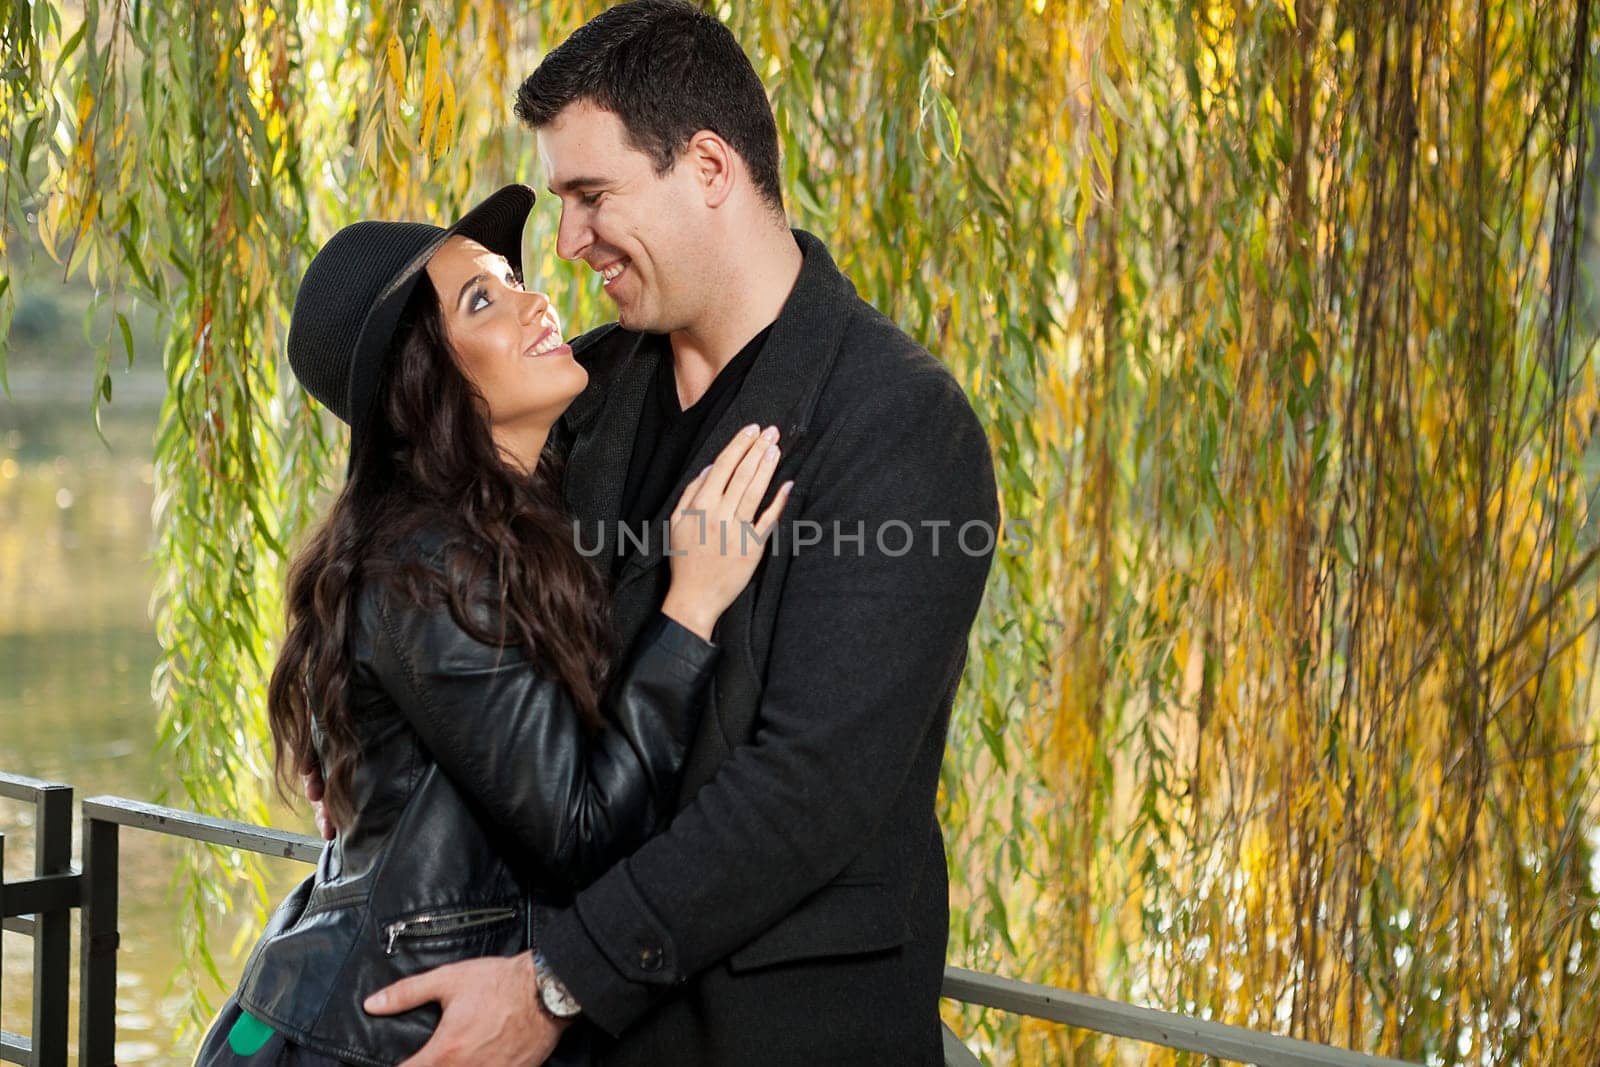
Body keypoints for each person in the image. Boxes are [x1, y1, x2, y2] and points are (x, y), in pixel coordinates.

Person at [362, 2, 1000, 1064]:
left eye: (591, 195)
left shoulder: (900, 424)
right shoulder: (580, 391)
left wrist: (557, 982)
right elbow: (470, 623)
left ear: (707, 166)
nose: (567, 242)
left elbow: (807, 789)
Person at [194, 184, 791, 1066]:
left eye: (513, 276)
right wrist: (690, 608)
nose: (536, 300)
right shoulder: (430, 564)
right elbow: (582, 835)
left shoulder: (483, 528)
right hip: (374, 1041)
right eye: (484, 299)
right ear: (426, 384)